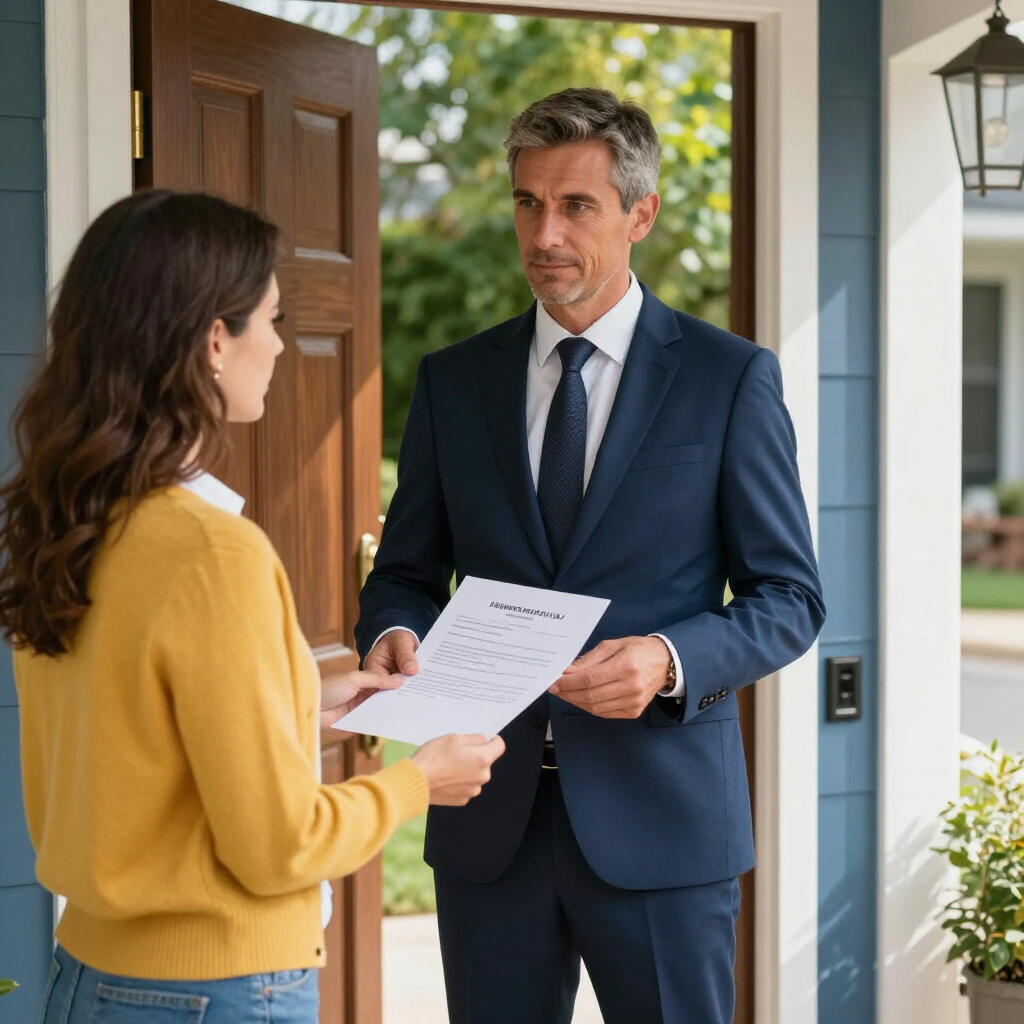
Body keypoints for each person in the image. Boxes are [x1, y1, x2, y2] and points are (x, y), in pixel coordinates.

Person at [357, 88, 826, 1024]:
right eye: (529, 203)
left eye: (577, 206)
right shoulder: (455, 381)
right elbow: (406, 569)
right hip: (490, 819)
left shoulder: (729, 378)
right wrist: (395, 630)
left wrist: (670, 657)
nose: (546, 234)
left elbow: (788, 596)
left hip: (664, 828)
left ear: (639, 214)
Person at [0, 189, 504, 1024]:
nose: (278, 343)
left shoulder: (72, 522)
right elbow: (280, 845)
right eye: (270, 317)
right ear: (211, 341)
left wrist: (301, 704)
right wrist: (420, 783)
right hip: (214, 993)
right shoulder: (211, 553)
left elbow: (133, 744)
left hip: (89, 977)